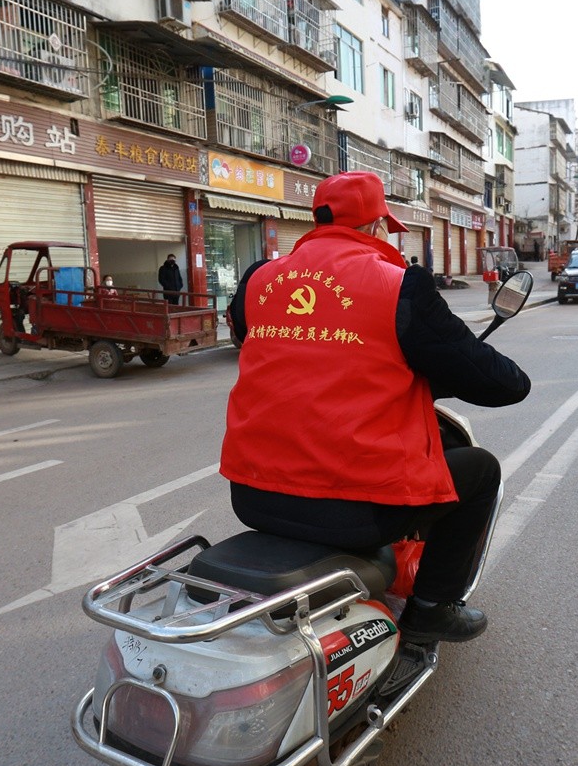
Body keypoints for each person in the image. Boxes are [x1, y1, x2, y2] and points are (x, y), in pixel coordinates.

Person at [220, 171, 530, 644]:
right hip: (357, 509)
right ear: (376, 226)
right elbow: (501, 385)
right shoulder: (402, 287)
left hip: (252, 496)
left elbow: (251, 336)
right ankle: (431, 608)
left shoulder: (259, 280)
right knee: (482, 471)